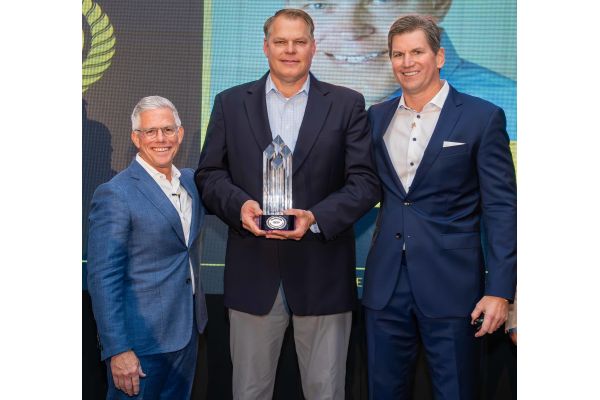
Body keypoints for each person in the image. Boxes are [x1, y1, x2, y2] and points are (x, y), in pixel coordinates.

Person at [195, 8, 379, 400]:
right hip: (253, 276)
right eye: (281, 42)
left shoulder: (347, 104)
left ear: (313, 46)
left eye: (299, 42)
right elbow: (209, 174)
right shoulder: (230, 103)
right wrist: (240, 206)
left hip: (323, 275)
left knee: (326, 392)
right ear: (266, 47)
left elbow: (365, 183)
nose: (289, 50)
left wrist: (315, 217)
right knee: (249, 392)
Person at [362, 15, 516, 399]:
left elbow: (501, 209)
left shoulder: (483, 117)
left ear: (440, 56)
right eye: (398, 54)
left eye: (417, 52)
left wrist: (501, 290)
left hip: (453, 289)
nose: (407, 62)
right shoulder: (376, 117)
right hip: (385, 287)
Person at [87, 96, 208, 399]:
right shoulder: (115, 193)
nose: (161, 139)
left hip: (187, 335)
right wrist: (118, 349)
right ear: (136, 138)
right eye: (150, 131)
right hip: (139, 346)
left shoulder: (191, 182)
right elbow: (103, 278)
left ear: (180, 133)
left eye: (168, 130)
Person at [286, 0, 517, 140]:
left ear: (438, 3)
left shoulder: (514, 112)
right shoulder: (276, 111)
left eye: (383, 1)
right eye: (318, 5)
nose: (350, 29)